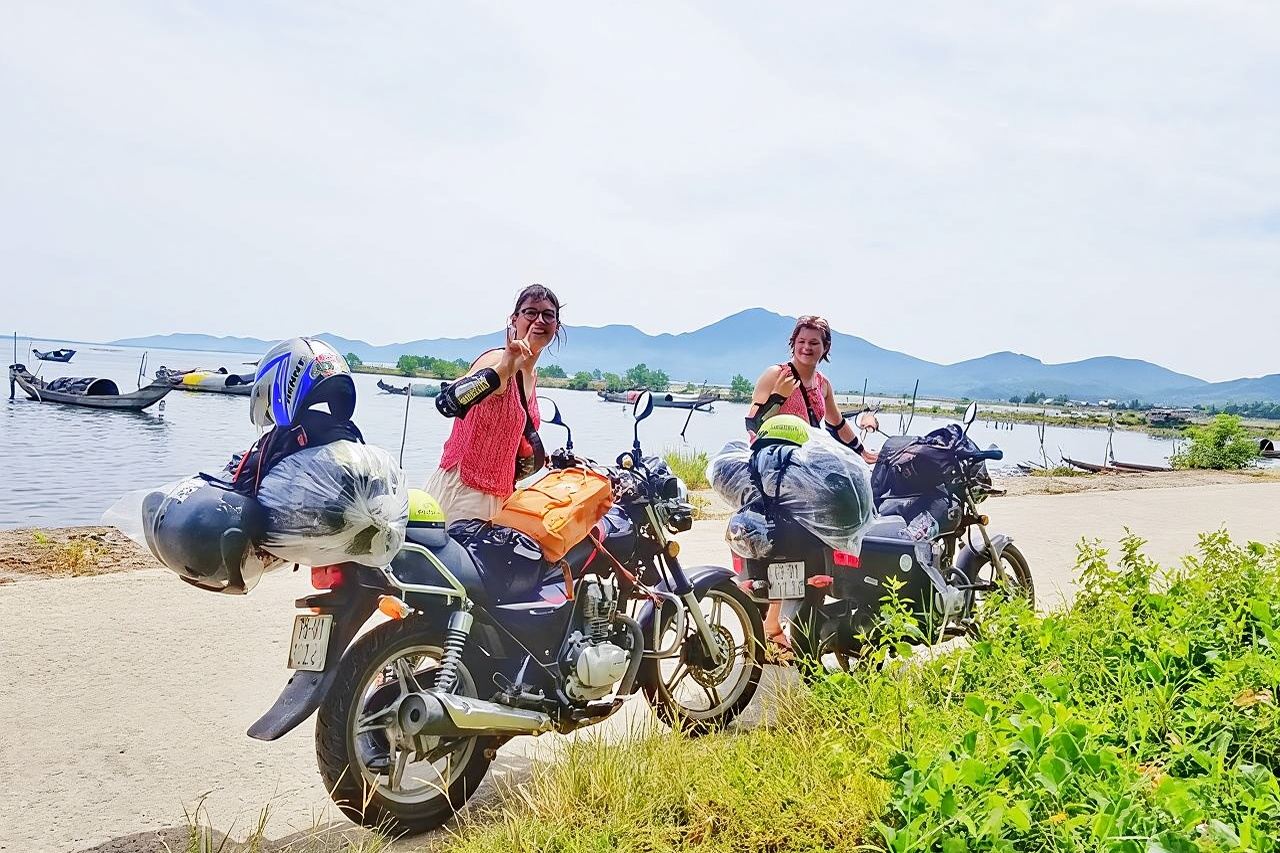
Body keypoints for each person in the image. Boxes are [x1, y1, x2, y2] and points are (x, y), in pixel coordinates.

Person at [743, 314, 878, 659]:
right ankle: (769, 626)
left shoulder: (823, 384)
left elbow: (836, 424)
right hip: (776, 470)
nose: (807, 347)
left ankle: (776, 627)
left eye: (814, 343)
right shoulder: (776, 375)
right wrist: (779, 397)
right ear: (793, 343)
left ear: (825, 348)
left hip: (808, 473)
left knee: (804, 549)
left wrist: (863, 453)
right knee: (780, 549)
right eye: (801, 341)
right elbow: (753, 424)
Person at [427, 284, 564, 522]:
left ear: (557, 326)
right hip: (463, 492)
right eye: (530, 312)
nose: (539, 320)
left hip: (501, 496)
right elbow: (449, 402)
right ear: (514, 319)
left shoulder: (532, 375)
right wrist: (502, 369)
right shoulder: (496, 360)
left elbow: (508, 436)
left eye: (548, 314)